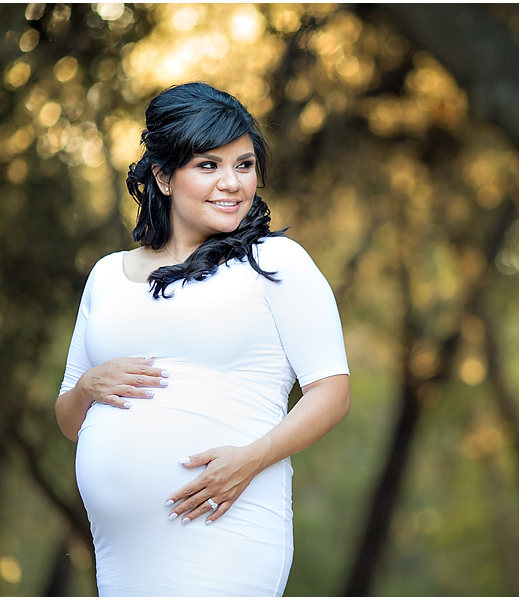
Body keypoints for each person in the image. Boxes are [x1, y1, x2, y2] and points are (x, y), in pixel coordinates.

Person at [55, 82, 350, 596]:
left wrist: (252, 459)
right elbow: (68, 420)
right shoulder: (106, 276)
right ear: (164, 177)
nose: (232, 183)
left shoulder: (275, 264)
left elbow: (332, 391)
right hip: (122, 551)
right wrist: (88, 387)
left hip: (226, 524)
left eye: (244, 164)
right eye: (209, 166)